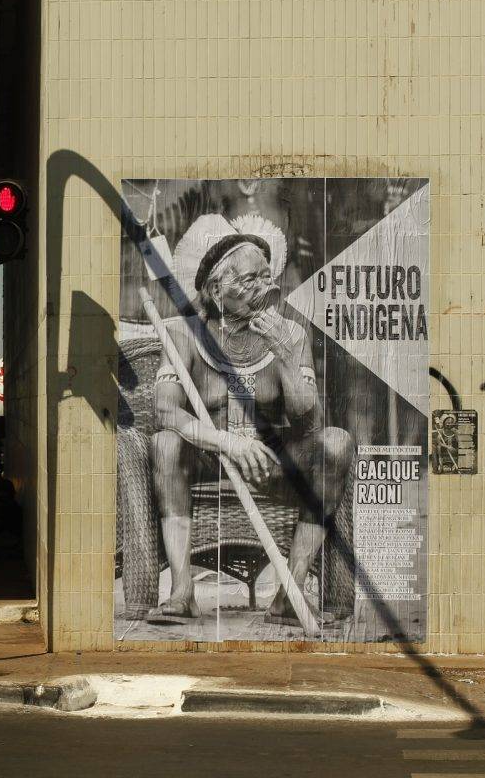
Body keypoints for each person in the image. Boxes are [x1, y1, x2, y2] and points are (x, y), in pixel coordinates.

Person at [149, 233, 355, 625]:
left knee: (337, 443)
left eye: (266, 276)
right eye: (249, 280)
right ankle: (181, 591)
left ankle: (289, 595)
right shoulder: (182, 333)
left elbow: (308, 421)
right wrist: (228, 442)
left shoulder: (291, 334)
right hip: (207, 458)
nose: (264, 287)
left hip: (269, 462)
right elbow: (166, 411)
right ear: (216, 290)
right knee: (164, 444)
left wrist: (285, 355)